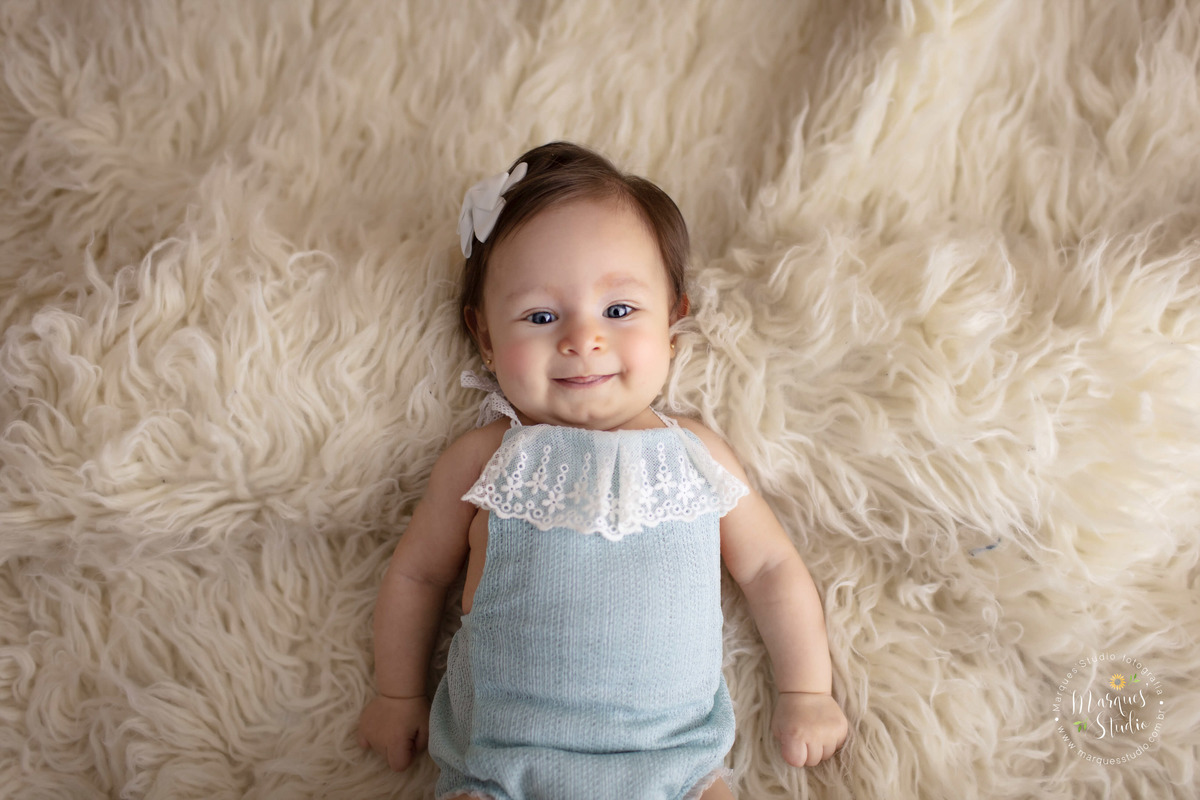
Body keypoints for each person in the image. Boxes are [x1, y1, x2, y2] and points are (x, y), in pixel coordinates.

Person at [358, 142, 848, 800]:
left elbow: (770, 569)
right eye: (540, 316)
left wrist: (806, 690)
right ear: (484, 337)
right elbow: (417, 575)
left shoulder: (696, 454)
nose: (583, 339)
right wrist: (397, 693)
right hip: (503, 770)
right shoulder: (484, 458)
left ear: (673, 318)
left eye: (618, 311)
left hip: (676, 771)